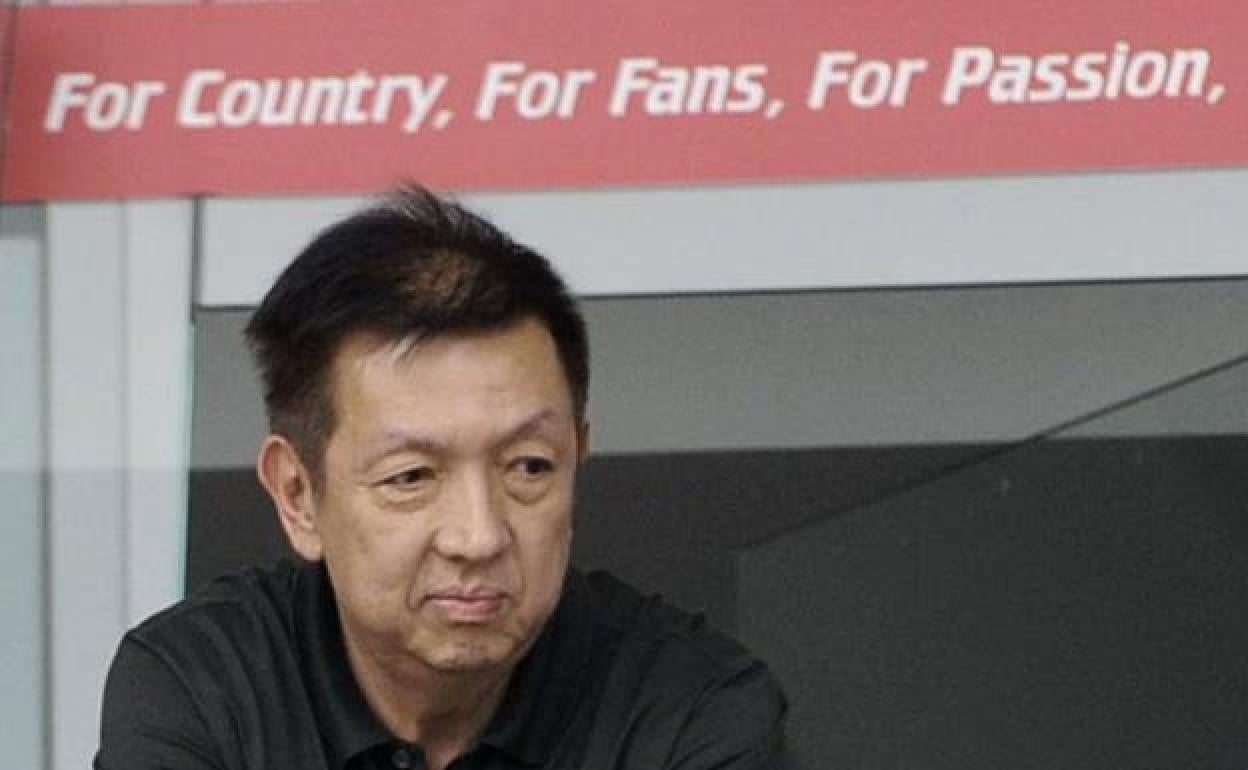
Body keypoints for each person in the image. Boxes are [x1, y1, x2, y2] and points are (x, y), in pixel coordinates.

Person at [94, 186, 787, 770]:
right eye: (412, 476)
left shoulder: (694, 709)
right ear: (299, 496)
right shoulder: (203, 687)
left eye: (529, 467)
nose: (479, 537)